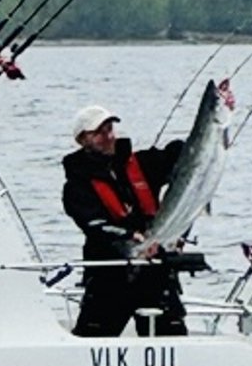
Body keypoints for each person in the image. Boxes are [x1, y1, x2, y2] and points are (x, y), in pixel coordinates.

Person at [62, 104, 186, 337]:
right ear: (82, 139)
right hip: (109, 277)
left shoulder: (141, 163)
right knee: (93, 340)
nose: (108, 137)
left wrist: (211, 126)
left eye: (110, 129)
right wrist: (131, 239)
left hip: (155, 273)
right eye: (99, 133)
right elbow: (94, 225)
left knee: (171, 336)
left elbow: (181, 154)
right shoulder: (76, 187)